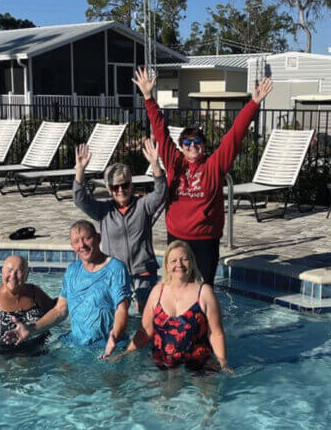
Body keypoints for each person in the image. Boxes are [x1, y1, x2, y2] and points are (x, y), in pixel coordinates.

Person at [132, 67, 274, 285]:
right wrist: (148, 97)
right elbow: (160, 131)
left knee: (204, 289)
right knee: (176, 288)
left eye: (197, 142)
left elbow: (235, 135)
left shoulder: (214, 165)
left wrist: (254, 103)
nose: (192, 146)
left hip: (206, 239)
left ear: (204, 146)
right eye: (187, 142)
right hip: (177, 237)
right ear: (181, 146)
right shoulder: (174, 161)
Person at [7, 220, 131, 358]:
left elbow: (122, 309)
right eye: (76, 241)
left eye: (87, 238)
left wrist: (114, 336)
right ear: (72, 246)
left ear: (98, 238)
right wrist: (31, 329)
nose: (82, 245)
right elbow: (60, 311)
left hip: (108, 348)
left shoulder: (115, 268)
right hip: (76, 346)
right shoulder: (72, 270)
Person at [73, 137, 166, 315]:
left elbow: (161, 192)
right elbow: (79, 199)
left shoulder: (143, 206)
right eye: (115, 187)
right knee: (116, 316)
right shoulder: (103, 211)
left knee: (144, 315)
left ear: (131, 185)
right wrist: (80, 170)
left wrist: (155, 165)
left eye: (125, 185)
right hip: (114, 273)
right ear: (109, 189)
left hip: (143, 273)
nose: (121, 190)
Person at [110, 240, 232, 373]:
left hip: (199, 362)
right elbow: (145, 332)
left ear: (192, 263)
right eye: (173, 261)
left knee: (206, 387)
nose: (179, 264)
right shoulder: (157, 292)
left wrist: (223, 362)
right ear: (167, 266)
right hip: (163, 362)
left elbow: (216, 333)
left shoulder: (204, 292)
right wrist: (126, 353)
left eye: (184, 259)